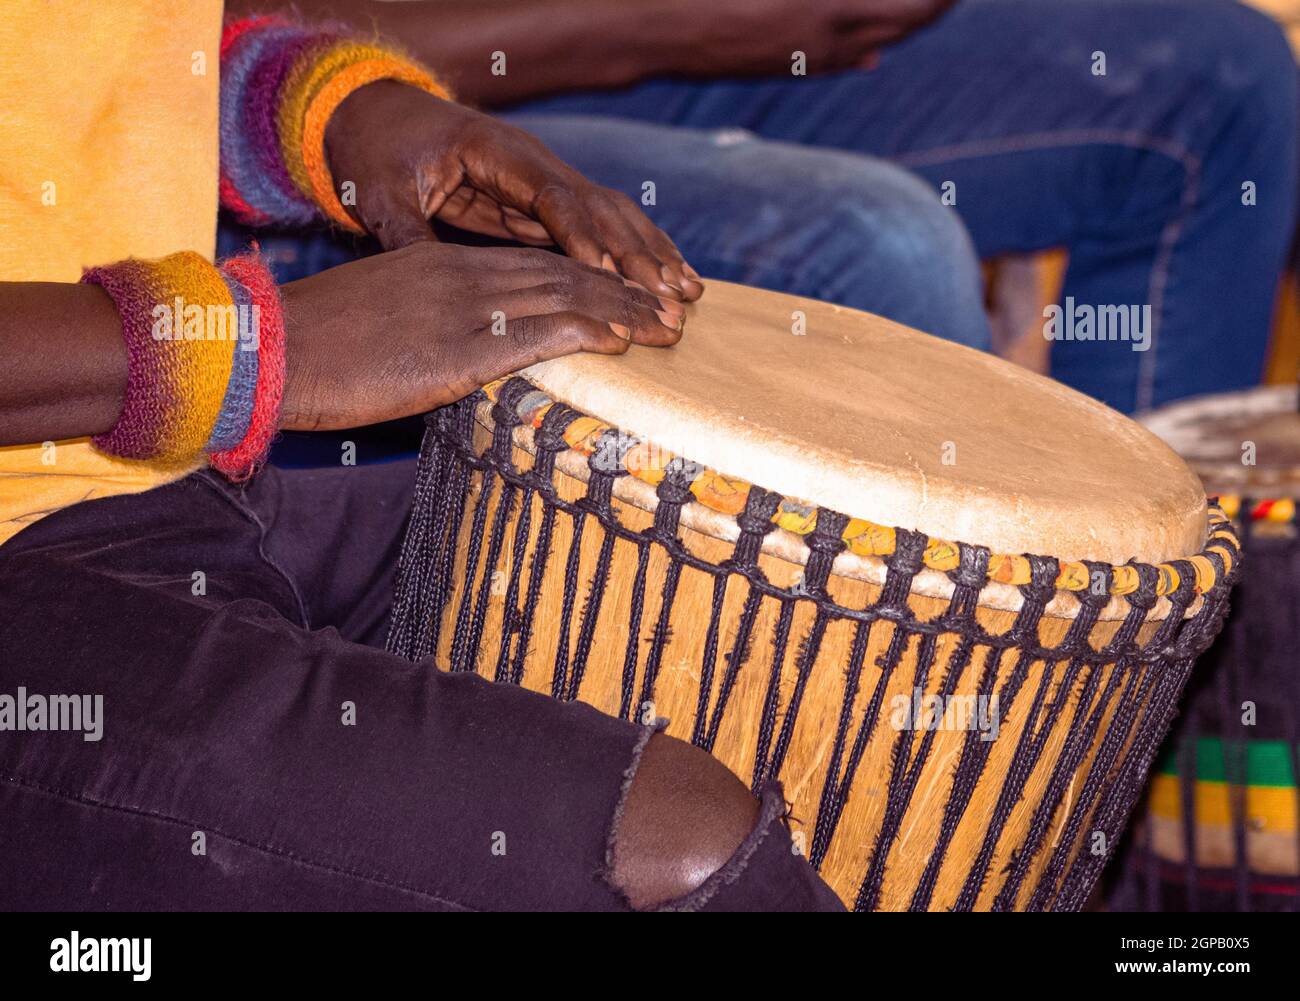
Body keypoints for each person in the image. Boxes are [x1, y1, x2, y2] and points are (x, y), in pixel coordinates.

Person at [0, 3, 842, 911]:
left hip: (161, 484)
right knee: (676, 846)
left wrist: (328, 112)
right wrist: (250, 346)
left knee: (741, 566)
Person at [248, 0, 1300, 414]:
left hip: (704, 50)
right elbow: (228, 59)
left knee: (1221, 80)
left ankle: (1140, 704)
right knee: (882, 244)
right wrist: (673, 22)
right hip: (387, 116)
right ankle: (942, 765)